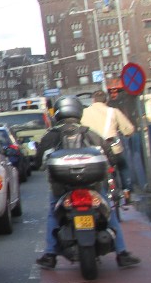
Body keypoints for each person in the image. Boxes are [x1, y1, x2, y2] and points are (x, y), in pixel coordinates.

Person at [35, 95, 140, 269]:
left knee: (53, 213)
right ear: (78, 111)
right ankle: (122, 253)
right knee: (108, 212)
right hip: (93, 186)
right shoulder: (89, 133)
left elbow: (39, 162)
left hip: (61, 188)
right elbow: (109, 155)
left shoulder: (51, 136)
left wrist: (42, 164)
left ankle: (50, 254)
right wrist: (111, 163)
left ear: (58, 113)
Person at [80, 90, 137, 203]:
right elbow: (129, 129)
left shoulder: (84, 113)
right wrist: (126, 133)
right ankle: (127, 192)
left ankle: (93, 193)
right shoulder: (113, 112)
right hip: (112, 148)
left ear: (93, 100)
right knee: (123, 166)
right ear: (106, 101)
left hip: (92, 150)